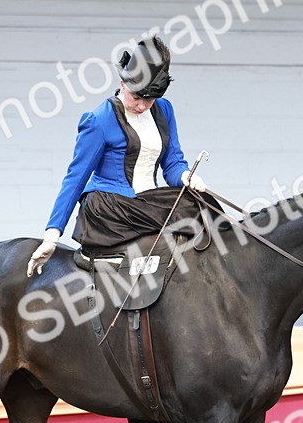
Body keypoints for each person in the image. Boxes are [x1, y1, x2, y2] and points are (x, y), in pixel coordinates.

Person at [26, 35, 208, 277]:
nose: (142, 106)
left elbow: (172, 163)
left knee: (204, 210)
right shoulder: (100, 120)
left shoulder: (164, 110)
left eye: (149, 100)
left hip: (148, 200)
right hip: (110, 206)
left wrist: (186, 176)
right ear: (122, 83)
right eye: (136, 97)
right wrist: (52, 235)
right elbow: (75, 178)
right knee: (182, 217)